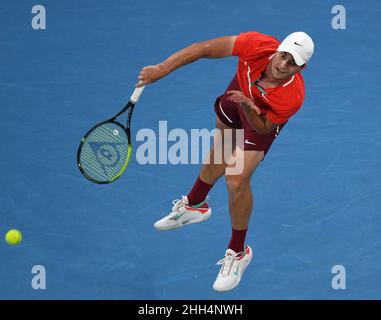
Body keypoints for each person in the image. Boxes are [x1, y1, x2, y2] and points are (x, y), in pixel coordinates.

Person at [136, 31, 314, 292]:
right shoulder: (256, 45)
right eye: (283, 56)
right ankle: (195, 204)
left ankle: (238, 252)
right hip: (237, 95)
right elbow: (204, 47)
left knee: (236, 179)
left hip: (260, 117)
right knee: (221, 149)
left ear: (302, 68)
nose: (282, 65)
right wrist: (161, 70)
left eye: (292, 63)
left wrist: (249, 108)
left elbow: (264, 128)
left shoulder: (292, 95)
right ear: (277, 49)